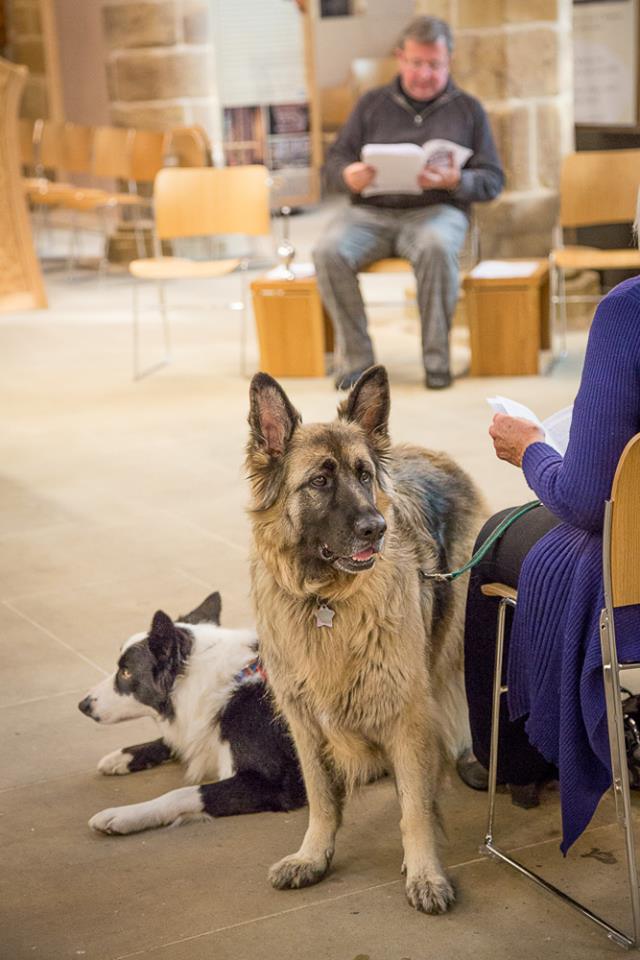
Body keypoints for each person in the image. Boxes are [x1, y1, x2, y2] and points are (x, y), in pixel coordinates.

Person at [460, 272, 640, 850]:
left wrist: (532, 450)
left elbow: (586, 502)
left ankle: (513, 761)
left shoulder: (628, 311)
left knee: (495, 538)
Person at [313, 15, 504, 391]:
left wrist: (457, 180)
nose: (425, 73)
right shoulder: (371, 104)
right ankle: (358, 363)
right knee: (327, 250)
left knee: (435, 247)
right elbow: (333, 164)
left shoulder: (467, 109)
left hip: (436, 211)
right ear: (401, 58)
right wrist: (348, 173)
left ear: (449, 60)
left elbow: (493, 180)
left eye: (434, 65)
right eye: (417, 63)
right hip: (369, 213)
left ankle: (436, 362)